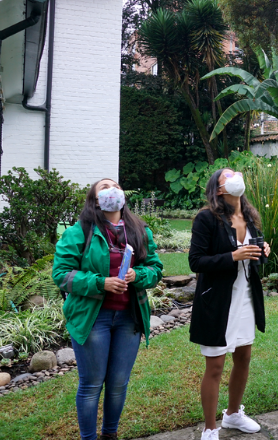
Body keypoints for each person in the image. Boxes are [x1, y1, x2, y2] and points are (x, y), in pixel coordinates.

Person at [53, 179, 164, 440]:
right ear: (93, 198)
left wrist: (138, 274)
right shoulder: (79, 232)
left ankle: (110, 435)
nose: (111, 189)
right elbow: (62, 274)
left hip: (129, 319)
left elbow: (156, 269)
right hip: (93, 319)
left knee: (117, 384)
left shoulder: (139, 230)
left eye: (114, 185)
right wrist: (100, 283)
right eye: (103, 186)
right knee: (91, 385)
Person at [189, 169, 270, 440]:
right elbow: (196, 261)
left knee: (243, 357)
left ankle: (233, 414)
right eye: (228, 175)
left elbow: (251, 257)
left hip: (245, 295)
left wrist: (262, 249)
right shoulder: (207, 218)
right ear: (219, 189)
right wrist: (233, 256)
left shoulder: (249, 216)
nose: (236, 176)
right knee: (215, 366)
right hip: (217, 300)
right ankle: (210, 427)